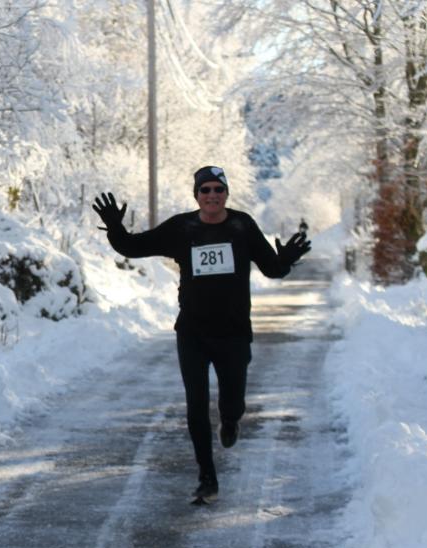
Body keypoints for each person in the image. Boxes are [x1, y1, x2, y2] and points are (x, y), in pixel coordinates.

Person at [91, 166, 311, 503]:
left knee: (232, 401)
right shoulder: (182, 227)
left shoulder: (242, 225)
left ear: (226, 193)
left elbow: (272, 268)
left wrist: (287, 258)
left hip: (234, 332)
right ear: (197, 195)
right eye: (205, 190)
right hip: (192, 332)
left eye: (217, 190)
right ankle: (206, 477)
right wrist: (116, 228)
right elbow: (134, 247)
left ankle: (231, 419)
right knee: (195, 405)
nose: (212, 195)